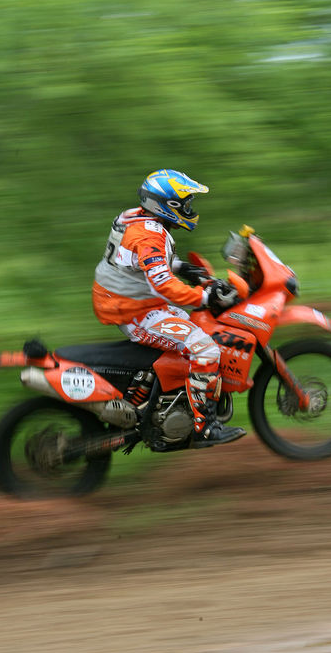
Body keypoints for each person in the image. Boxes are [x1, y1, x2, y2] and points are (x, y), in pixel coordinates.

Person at [92, 169, 246, 448]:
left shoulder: (133, 217)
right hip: (134, 311)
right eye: (185, 203)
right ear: (167, 206)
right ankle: (204, 427)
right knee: (206, 350)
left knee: (197, 330)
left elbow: (137, 262)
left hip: (129, 301)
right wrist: (205, 296)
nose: (189, 208)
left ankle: (156, 400)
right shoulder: (149, 234)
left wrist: (183, 267)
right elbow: (162, 284)